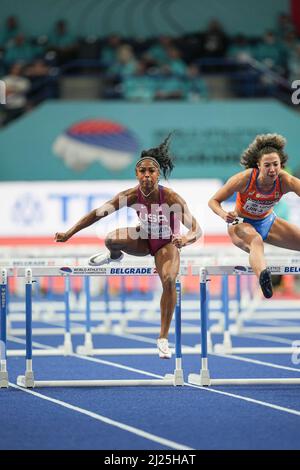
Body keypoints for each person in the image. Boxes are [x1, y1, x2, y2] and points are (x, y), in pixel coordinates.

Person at [55, 135, 202, 358]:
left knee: (170, 281)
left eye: (151, 171)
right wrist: (69, 233)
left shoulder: (171, 198)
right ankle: (114, 256)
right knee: (110, 239)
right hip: (142, 238)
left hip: (167, 244)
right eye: (142, 171)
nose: (146, 175)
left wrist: (186, 239)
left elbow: (196, 228)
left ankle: (162, 338)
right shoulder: (129, 196)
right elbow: (96, 215)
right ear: (136, 174)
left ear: (158, 174)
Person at [208, 133, 300, 299]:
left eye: (275, 164)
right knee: (256, 241)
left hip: (268, 221)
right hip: (240, 223)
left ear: (281, 165)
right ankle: (264, 278)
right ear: (258, 165)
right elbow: (213, 201)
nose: (272, 169)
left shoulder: (286, 181)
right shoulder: (244, 179)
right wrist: (224, 215)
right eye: (267, 165)